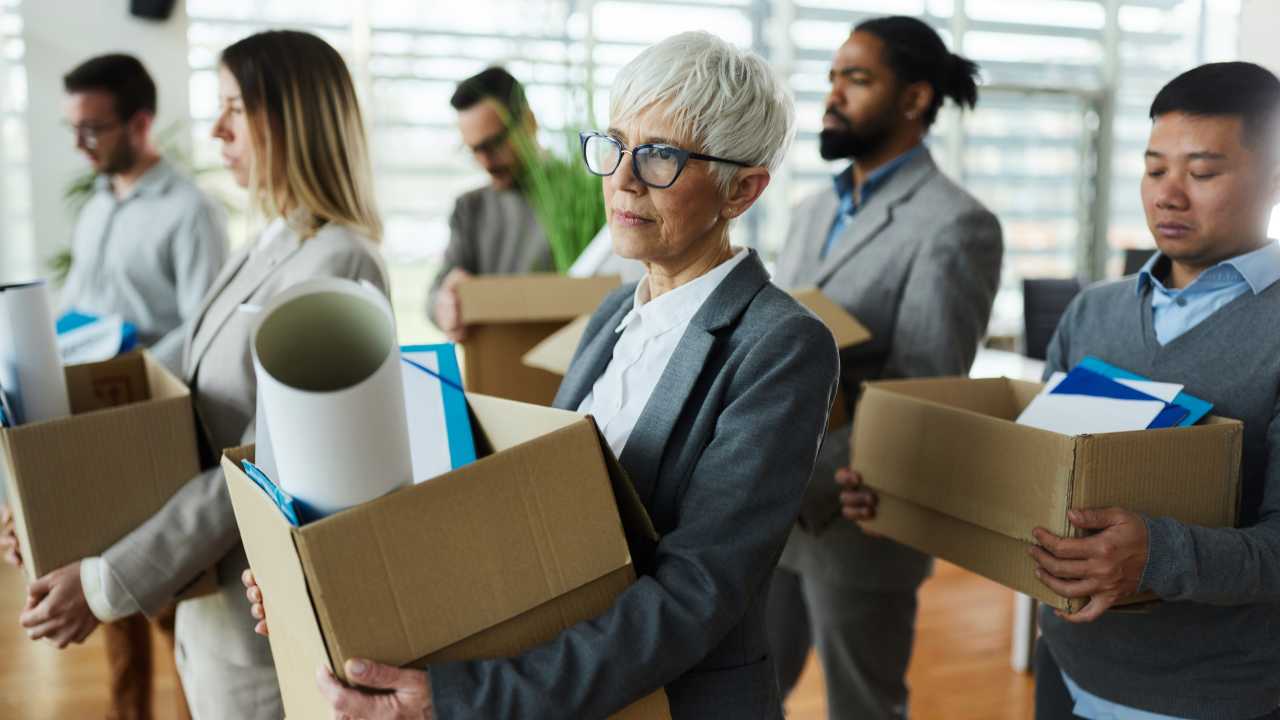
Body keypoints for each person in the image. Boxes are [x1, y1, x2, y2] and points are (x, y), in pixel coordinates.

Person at [244, 31, 840, 719]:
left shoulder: (781, 346)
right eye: (615, 144)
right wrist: (321, 583)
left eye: (662, 156)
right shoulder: (613, 313)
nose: (621, 177)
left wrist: (466, 699)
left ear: (744, 190)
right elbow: (528, 522)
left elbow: (695, 594)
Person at [846, 61, 1280, 719]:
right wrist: (902, 491)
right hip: (1068, 667)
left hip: (1209, 696)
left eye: (1202, 172)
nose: (1168, 194)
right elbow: (1040, 472)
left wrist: (1158, 554)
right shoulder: (1093, 313)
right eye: (1154, 168)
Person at [8, 30, 390, 720]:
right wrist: (47, 509)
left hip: (257, 627)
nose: (215, 129)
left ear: (292, 117)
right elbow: (165, 396)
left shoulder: (338, 264)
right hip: (203, 607)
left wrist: (104, 583)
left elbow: (257, 467)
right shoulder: (269, 244)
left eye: (235, 109)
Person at [767, 16, 1003, 719]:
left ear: (914, 100)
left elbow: (920, 388)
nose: (833, 93)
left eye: (858, 78)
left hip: (856, 510)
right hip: (774, 507)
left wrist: (817, 476)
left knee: (862, 706)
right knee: (747, 691)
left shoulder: (955, 224)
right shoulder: (811, 211)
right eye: (833, 76)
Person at [58, 54, 228, 376]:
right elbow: (75, 302)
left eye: (91, 129)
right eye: (74, 129)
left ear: (140, 124)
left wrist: (137, 377)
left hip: (142, 398)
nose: (78, 145)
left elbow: (204, 327)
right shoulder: (96, 206)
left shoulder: (192, 212)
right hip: (83, 389)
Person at [427, 66, 554, 342]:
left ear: (529, 122)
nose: (485, 162)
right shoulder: (469, 208)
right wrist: (444, 303)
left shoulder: (585, 201)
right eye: (474, 150)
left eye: (494, 144)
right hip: (491, 370)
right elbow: (436, 293)